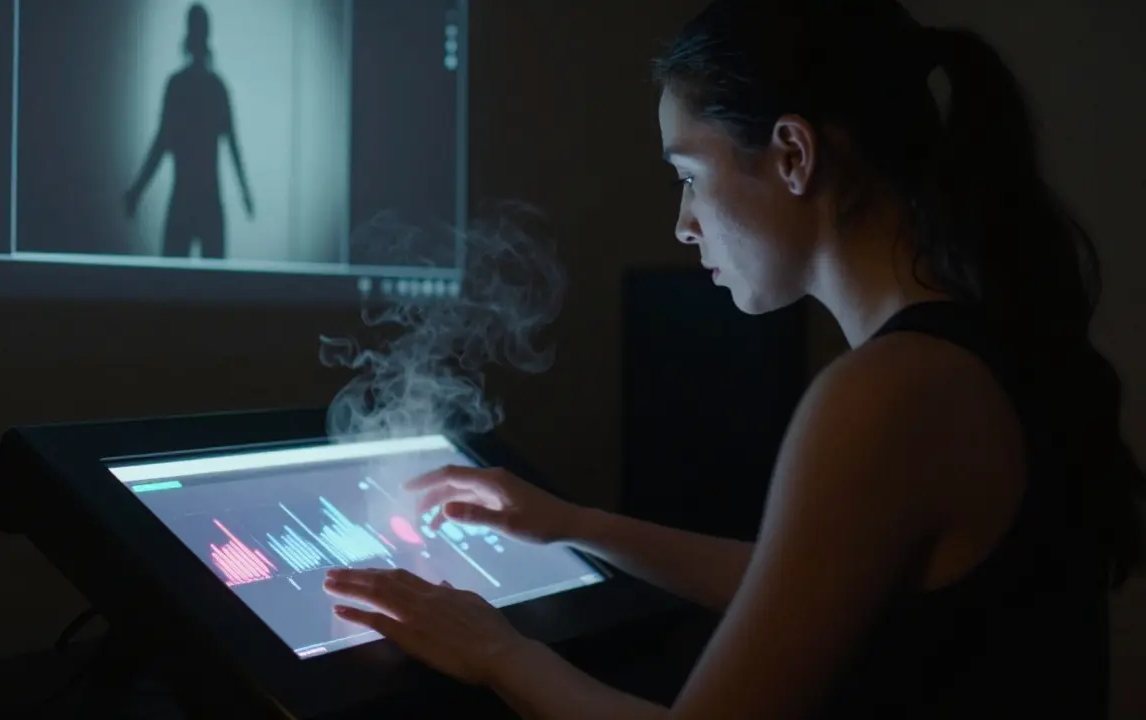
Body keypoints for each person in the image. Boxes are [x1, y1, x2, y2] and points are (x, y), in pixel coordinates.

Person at [322, 0, 1144, 716]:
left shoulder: (891, 392)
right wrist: (573, 525)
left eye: (689, 175)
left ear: (793, 155)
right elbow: (805, 584)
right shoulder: (964, 357)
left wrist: (497, 651)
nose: (684, 224)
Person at [124, 3, 254, 260]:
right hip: (206, 200)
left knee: (174, 287)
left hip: (185, 199)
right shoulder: (215, 87)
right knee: (209, 288)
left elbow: (161, 143)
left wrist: (137, 190)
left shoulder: (180, 86)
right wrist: (245, 194)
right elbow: (232, 146)